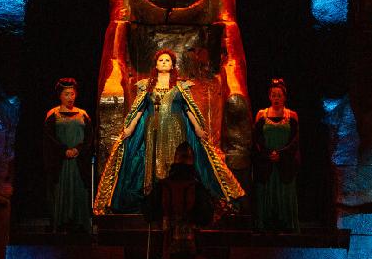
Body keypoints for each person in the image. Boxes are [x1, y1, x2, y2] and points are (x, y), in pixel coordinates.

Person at [95, 49, 243, 214]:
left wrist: (198, 128)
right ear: (156, 65)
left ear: (172, 65)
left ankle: (178, 199)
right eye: (161, 60)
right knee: (153, 160)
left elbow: (188, 109)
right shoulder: (146, 86)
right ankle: (155, 201)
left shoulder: (181, 87)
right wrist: (130, 127)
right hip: (153, 130)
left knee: (175, 160)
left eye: (167, 60)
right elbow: (139, 109)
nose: (164, 62)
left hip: (176, 129)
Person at [144, 143, 215, 259]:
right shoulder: (196, 188)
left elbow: (148, 213)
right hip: (188, 244)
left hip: (168, 243)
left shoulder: (163, 186)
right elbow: (206, 217)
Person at [43, 77, 94, 233]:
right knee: (60, 190)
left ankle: (80, 223)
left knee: (80, 189)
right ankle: (61, 222)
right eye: (66, 94)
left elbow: (90, 138)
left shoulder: (83, 114)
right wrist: (64, 150)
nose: (70, 97)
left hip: (78, 161)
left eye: (72, 94)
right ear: (60, 95)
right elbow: (49, 139)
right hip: (61, 161)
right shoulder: (53, 114)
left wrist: (78, 149)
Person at [251, 78, 300, 232]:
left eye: (279, 95)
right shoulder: (261, 114)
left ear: (284, 97)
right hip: (266, 162)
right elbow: (256, 139)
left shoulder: (292, 115)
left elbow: (295, 140)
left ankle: (287, 226)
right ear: (269, 96)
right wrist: (268, 154)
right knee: (265, 193)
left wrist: (281, 155)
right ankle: (264, 225)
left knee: (285, 193)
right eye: (273, 95)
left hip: (285, 163)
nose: (276, 98)